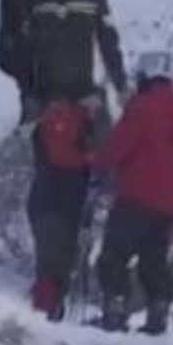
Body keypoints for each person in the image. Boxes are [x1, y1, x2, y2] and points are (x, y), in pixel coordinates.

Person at [95, 54, 173, 334]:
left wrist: (99, 167)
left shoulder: (142, 107)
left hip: (135, 196)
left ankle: (115, 309)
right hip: (167, 205)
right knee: (154, 260)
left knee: (114, 255)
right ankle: (158, 312)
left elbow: (120, 143)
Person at [27, 90, 103, 321]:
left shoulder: (52, 119)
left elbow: (39, 148)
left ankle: (45, 309)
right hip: (65, 202)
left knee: (48, 260)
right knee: (59, 261)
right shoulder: (81, 125)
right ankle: (48, 310)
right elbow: (89, 162)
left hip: (43, 198)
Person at [27, 0, 128, 112]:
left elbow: (26, 46)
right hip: (83, 91)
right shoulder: (95, 1)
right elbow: (109, 45)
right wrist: (121, 86)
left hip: (47, 93)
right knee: (98, 120)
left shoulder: (38, 3)